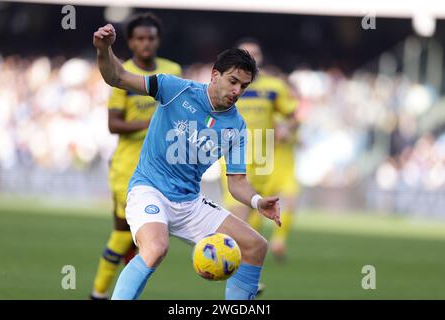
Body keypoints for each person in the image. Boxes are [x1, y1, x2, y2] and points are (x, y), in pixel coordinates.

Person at [93, 23, 281, 300]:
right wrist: (104, 49)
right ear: (215, 75)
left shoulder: (237, 127)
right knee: (156, 248)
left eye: (244, 85)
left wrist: (257, 202)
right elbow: (117, 76)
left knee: (256, 245)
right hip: (149, 190)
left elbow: (237, 182)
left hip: (189, 202)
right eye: (233, 81)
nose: (237, 90)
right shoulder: (174, 88)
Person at [90, 13, 182, 300]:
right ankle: (99, 293)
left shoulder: (171, 70)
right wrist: (151, 123)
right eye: (140, 38)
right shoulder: (123, 72)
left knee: (144, 241)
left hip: (161, 170)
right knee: (121, 234)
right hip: (127, 170)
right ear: (130, 42)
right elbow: (113, 124)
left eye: (151, 38)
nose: (146, 43)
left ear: (158, 41)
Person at [221, 38, 299, 262]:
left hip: (263, 160)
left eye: (255, 54)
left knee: (251, 221)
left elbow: (292, 117)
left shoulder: (274, 88)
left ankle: (243, 274)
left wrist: (286, 128)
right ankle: (232, 267)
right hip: (233, 156)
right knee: (239, 217)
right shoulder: (227, 85)